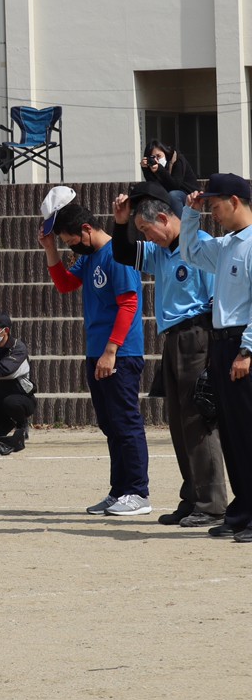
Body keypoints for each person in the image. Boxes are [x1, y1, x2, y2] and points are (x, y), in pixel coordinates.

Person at [112, 187, 225, 527]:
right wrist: (121, 225)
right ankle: (191, 498)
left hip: (197, 334)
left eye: (147, 231)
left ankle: (212, 503)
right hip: (173, 337)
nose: (148, 238)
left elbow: (213, 300)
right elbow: (123, 253)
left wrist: (211, 358)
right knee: (178, 422)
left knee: (198, 421)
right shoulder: (160, 252)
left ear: (163, 218)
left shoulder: (198, 245)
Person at [41, 201, 151, 516]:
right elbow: (64, 285)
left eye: (71, 241)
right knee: (110, 424)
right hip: (98, 353)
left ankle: (138, 492)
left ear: (87, 230)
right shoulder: (91, 257)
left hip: (120, 354)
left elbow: (128, 304)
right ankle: (119, 491)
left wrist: (111, 350)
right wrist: (51, 249)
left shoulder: (118, 254)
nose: (70, 247)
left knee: (126, 422)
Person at [179, 174, 252, 540]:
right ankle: (242, 512)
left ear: (235, 200)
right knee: (232, 432)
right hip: (222, 342)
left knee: (248, 431)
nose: (213, 213)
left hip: (243, 344)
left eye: (214, 206)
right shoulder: (226, 247)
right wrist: (190, 215)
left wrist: (247, 349)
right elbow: (189, 252)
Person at [0, 311, 36, 455]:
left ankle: (22, 426)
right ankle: (3, 425)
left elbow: (4, 370)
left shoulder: (17, 348)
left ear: (6, 331)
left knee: (11, 402)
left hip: (23, 399)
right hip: (0, 396)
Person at [142, 141, 197, 214]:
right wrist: (145, 169)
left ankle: (179, 224)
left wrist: (160, 170)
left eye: (158, 156)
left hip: (188, 195)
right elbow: (154, 186)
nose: (156, 160)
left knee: (173, 195)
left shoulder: (177, 160)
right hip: (168, 195)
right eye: (153, 157)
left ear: (165, 152)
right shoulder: (153, 167)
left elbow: (175, 185)